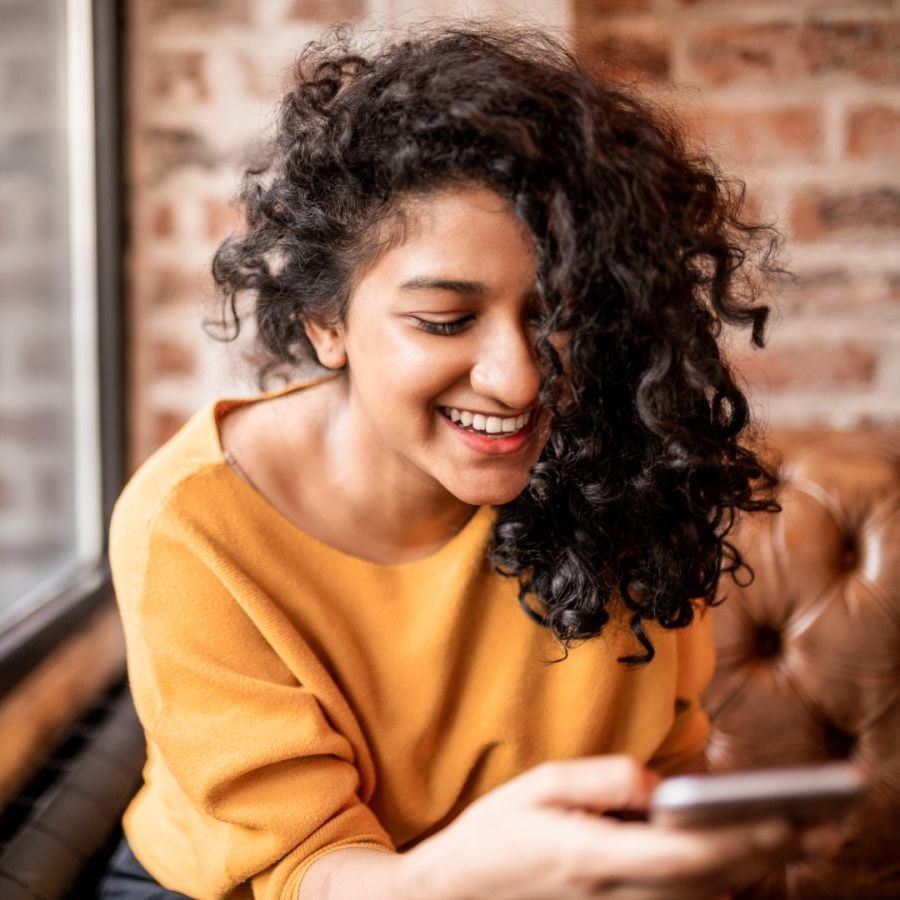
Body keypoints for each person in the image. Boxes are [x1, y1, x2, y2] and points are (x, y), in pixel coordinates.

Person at [98, 21, 842, 900]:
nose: (518, 378)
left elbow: (660, 767)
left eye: (556, 316)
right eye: (445, 321)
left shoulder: (623, 469)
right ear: (327, 323)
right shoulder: (192, 526)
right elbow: (308, 871)